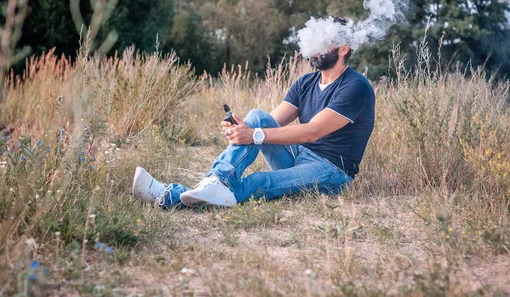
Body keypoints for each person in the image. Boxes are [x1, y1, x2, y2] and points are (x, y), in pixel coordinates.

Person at [132, 17, 375, 208]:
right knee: (257, 115)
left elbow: (313, 132)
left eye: (326, 41)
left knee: (258, 181)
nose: (317, 47)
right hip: (298, 157)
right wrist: (243, 129)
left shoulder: (355, 86)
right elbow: (270, 122)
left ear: (343, 49)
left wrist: (255, 135)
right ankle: (218, 179)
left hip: (331, 171)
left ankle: (168, 196)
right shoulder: (306, 82)